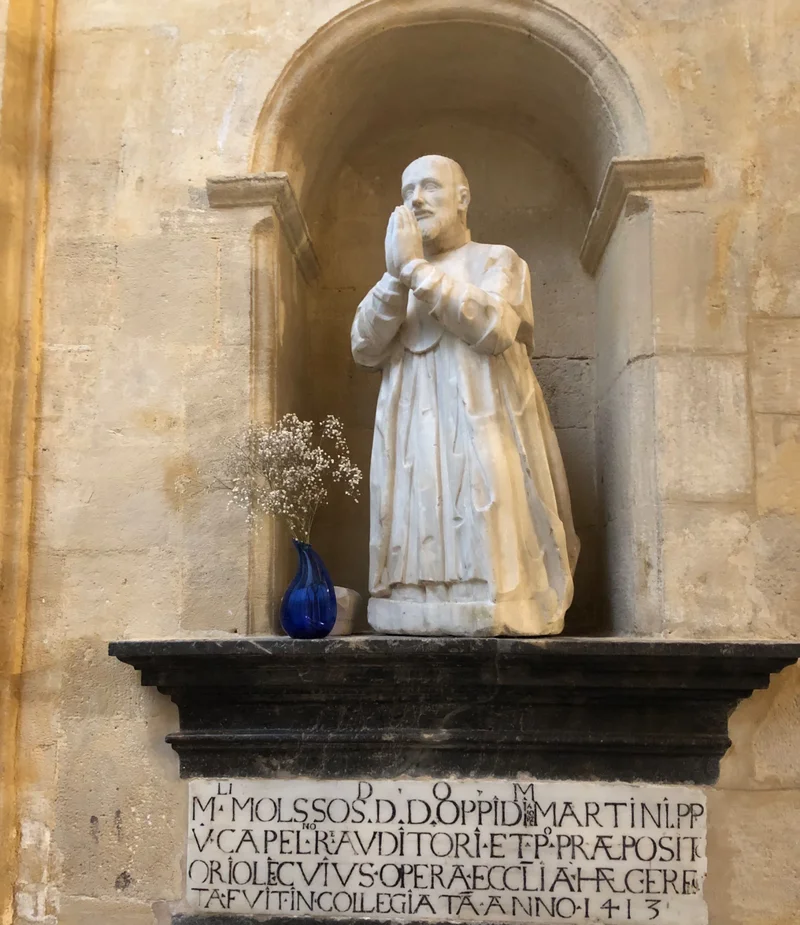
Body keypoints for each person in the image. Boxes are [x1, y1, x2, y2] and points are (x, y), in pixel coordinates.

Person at [351, 155, 579, 636]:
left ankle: (497, 597)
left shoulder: (498, 259)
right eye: (407, 190)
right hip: (412, 429)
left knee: (485, 501)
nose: (415, 199)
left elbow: (495, 328)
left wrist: (415, 269)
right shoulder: (397, 279)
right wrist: (398, 273)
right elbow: (363, 347)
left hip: (483, 418)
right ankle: (414, 596)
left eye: (430, 186)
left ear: (462, 198)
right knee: (415, 507)